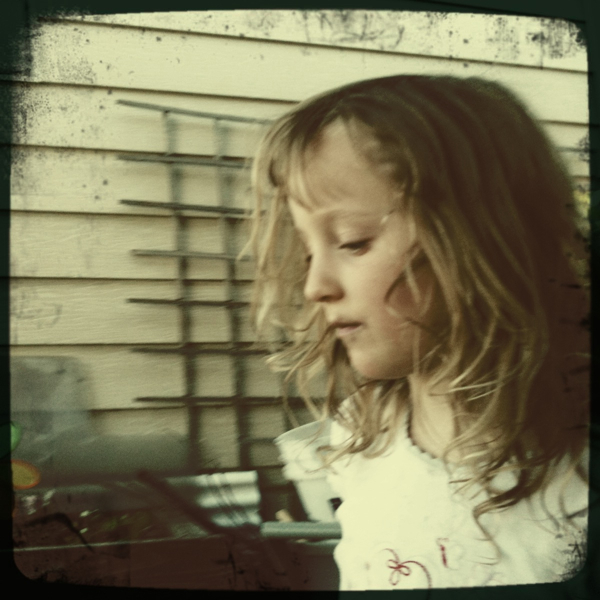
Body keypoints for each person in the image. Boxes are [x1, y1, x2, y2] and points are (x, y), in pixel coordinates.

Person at [247, 75, 590, 590]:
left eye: (353, 241)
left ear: (485, 235)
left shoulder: (578, 474)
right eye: (309, 250)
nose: (315, 286)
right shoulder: (358, 442)